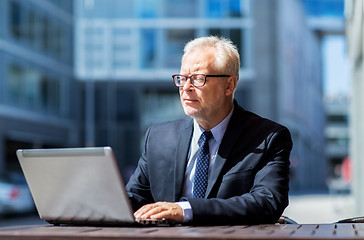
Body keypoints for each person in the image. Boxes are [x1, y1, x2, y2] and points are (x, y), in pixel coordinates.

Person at [126, 36, 293, 225]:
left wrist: (185, 210)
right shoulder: (158, 137)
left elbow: (267, 202)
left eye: (198, 79)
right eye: (182, 78)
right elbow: (132, 200)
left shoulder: (268, 138)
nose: (186, 88)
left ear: (229, 85)